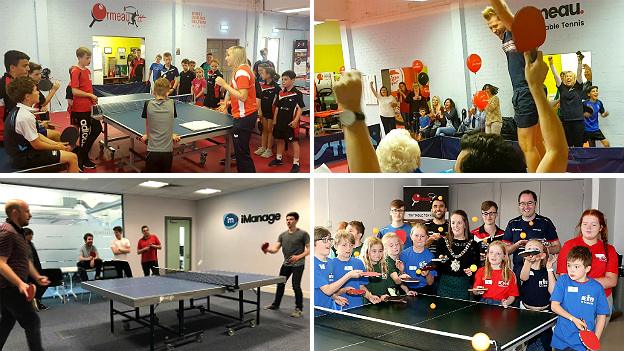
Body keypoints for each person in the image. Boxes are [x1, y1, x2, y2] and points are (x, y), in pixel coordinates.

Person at [483, 1, 546, 172]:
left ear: (503, 20)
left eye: (495, 25)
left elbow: (504, 11)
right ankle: (549, 172)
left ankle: (535, 179)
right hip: (523, 90)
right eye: (490, 28)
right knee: (537, 140)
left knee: (527, 144)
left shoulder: (515, 32)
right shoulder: (505, 37)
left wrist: (497, 5)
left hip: (527, 89)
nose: (494, 30)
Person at [0, 199, 50, 351]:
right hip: (11, 288)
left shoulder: (18, 232)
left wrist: (36, 276)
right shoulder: (7, 232)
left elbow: (25, 260)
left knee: (7, 321)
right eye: (27, 211)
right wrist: (20, 283)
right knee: (32, 322)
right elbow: (1, 262)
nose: (30, 215)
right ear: (16, 212)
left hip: (11, 287)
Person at [556, 209, 618, 328]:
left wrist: (583, 282)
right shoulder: (569, 246)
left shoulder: (609, 250)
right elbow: (564, 277)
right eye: (585, 224)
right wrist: (588, 283)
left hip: (601, 298)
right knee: (573, 339)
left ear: (601, 228)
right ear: (580, 226)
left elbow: (611, 280)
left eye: (594, 224)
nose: (588, 228)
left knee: (592, 339)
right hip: (573, 298)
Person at [4, 76, 79, 172]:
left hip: (21, 152)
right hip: (23, 158)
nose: (38, 92)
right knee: (72, 158)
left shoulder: (18, 110)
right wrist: (57, 147)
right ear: (27, 96)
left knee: (61, 147)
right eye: (36, 90)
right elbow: (37, 145)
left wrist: (57, 144)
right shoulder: (25, 116)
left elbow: (37, 135)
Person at [550, 246, 609, 351]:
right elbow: (554, 306)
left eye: (576, 266)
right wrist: (573, 319)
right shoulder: (563, 281)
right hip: (562, 340)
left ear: (587, 268)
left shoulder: (597, 288)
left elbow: (601, 316)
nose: (571, 270)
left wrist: (595, 340)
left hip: (583, 344)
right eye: (569, 265)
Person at [216, 46, 258, 173]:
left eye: (228, 55)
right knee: (241, 153)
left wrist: (223, 85)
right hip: (244, 115)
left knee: (242, 154)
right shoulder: (240, 70)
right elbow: (240, 93)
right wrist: (227, 102)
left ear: (236, 56)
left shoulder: (242, 72)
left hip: (244, 117)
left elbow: (243, 96)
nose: (226, 57)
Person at [503, 190, 560, 278]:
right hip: (519, 271)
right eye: (522, 203)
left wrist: (543, 249)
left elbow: (557, 247)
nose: (526, 206)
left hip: (541, 271)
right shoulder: (512, 223)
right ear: (519, 205)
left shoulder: (545, 222)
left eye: (530, 203)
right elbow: (504, 250)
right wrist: (517, 245)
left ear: (535, 204)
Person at [263, 212, 309, 317]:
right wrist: (267, 249)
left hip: (298, 264)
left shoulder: (303, 234)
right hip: (286, 264)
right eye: (287, 219)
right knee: (280, 284)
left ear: (296, 220)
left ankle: (299, 309)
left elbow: (309, 250)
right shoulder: (282, 235)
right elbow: (275, 249)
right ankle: (275, 304)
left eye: (291, 219)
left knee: (296, 286)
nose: (289, 221)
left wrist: (298, 257)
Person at [433, 210, 481, 300]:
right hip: (444, 286)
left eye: (459, 223)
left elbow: (477, 265)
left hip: (464, 287)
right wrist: (440, 259)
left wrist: (472, 271)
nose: (455, 226)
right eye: (453, 222)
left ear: (465, 224)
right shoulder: (442, 242)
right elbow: (437, 266)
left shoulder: (474, 245)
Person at [519, 239, 557, 351]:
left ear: (542, 255)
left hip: (545, 314)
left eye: (535, 249)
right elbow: (523, 277)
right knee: (529, 343)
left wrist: (550, 268)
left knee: (545, 344)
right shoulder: (524, 270)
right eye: (528, 249)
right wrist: (527, 261)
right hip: (527, 313)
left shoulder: (546, 272)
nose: (531, 251)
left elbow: (553, 291)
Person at [313, 227, 362, 310]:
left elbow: (329, 290)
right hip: (316, 312)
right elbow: (327, 290)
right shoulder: (314, 264)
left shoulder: (330, 262)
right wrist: (349, 275)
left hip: (329, 310)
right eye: (324, 240)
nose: (328, 243)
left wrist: (335, 297)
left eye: (329, 240)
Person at [69, 47, 101, 170]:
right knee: (84, 135)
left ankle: (82, 155)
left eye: (90, 58)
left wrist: (92, 99)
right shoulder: (75, 71)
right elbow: (74, 91)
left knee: (97, 129)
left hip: (90, 107)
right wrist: (89, 95)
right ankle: (81, 161)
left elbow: (87, 88)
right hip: (81, 109)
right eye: (87, 58)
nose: (89, 60)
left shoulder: (87, 71)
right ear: (79, 58)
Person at [140, 78, 180, 173]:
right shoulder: (172, 103)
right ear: (167, 92)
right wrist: (171, 134)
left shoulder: (147, 104)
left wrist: (147, 135)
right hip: (168, 152)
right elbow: (170, 122)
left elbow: (148, 124)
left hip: (152, 151)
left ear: (154, 91)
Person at [268, 70, 304, 173]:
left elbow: (300, 108)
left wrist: (296, 121)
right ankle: (279, 159)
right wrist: (275, 120)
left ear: (293, 80)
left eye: (286, 79)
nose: (283, 81)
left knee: (294, 142)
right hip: (280, 121)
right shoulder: (280, 93)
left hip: (291, 122)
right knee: (279, 140)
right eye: (282, 79)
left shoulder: (297, 94)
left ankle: (296, 163)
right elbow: (277, 108)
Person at [324, 230, 368, 310]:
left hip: (357, 306)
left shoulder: (358, 262)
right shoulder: (329, 264)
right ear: (336, 246)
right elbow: (328, 292)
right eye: (344, 245)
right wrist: (344, 290)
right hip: (338, 307)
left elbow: (361, 286)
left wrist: (371, 296)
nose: (348, 248)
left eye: (351, 245)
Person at [548, 54, 584, 147]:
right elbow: (556, 76)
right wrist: (551, 64)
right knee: (567, 143)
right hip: (566, 120)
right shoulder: (562, 88)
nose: (568, 78)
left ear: (574, 78)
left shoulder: (578, 87)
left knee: (578, 144)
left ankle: (579, 160)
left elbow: (579, 73)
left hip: (578, 120)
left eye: (570, 76)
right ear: (564, 78)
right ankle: (569, 161)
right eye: (566, 76)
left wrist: (580, 61)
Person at [472, 241, 518, 307]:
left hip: (501, 304)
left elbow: (512, 295)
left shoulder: (510, 274)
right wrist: (477, 290)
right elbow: (475, 291)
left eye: (498, 253)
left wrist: (506, 303)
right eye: (491, 252)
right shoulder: (481, 271)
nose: (493, 255)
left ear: (504, 256)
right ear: (487, 254)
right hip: (484, 303)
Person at [27, 62, 61, 141]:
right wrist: (54, 90)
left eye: (40, 74)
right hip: (32, 122)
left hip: (35, 118)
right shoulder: (30, 86)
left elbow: (42, 103)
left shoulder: (33, 85)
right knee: (55, 134)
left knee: (51, 127)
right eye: (36, 74)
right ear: (28, 74)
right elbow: (43, 102)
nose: (39, 77)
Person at [399, 224, 436, 294]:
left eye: (422, 236)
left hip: (425, 291)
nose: (419, 239)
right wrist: (401, 272)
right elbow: (400, 279)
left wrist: (427, 274)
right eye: (416, 235)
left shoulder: (430, 256)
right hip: (407, 290)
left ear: (427, 238)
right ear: (411, 236)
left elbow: (430, 282)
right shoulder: (403, 254)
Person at [254, 65, 280, 159]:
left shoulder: (276, 87)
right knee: (264, 130)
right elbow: (260, 98)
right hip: (263, 111)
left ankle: (269, 149)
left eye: (262, 72)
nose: (261, 74)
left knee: (270, 131)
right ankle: (263, 147)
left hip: (271, 112)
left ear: (268, 75)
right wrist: (259, 110)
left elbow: (277, 102)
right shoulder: (262, 86)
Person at [360, 237, 396, 304]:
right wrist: (371, 297)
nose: (377, 254)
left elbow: (390, 287)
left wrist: (388, 296)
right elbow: (361, 287)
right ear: (367, 251)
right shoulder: (361, 266)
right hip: (367, 304)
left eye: (380, 251)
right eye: (374, 251)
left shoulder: (385, 265)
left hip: (383, 303)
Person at [1, 50, 30, 123]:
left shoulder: (14, 83)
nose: (28, 69)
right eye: (24, 66)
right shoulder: (7, 86)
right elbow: (13, 114)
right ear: (12, 68)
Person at [24, 228, 47, 311]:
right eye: (29, 235)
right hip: (28, 270)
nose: (31, 237)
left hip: (36, 268)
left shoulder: (31, 244)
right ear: (24, 235)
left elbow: (35, 257)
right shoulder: (22, 245)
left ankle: (37, 300)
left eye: (31, 235)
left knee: (43, 284)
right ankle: (34, 302)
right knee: (33, 286)